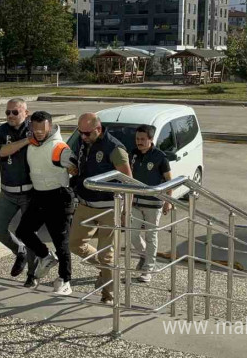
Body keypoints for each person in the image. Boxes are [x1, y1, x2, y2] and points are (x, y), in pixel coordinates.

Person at [68, 112, 132, 304]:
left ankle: (109, 297)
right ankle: (106, 273)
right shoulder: (82, 142)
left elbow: (129, 181)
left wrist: (125, 212)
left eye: (87, 133)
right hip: (85, 203)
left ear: (98, 128)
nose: (83, 137)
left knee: (107, 255)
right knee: (74, 243)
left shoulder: (114, 148)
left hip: (108, 207)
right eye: (80, 132)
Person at [14, 111, 77, 295]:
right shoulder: (32, 144)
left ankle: (65, 280)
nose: (39, 132)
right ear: (31, 126)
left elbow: (75, 166)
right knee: (23, 231)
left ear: (50, 126)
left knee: (61, 242)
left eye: (42, 128)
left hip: (59, 197)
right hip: (39, 195)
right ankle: (45, 256)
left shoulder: (59, 147)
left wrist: (74, 171)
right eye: (35, 128)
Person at [0, 98, 39, 286]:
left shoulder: (34, 129)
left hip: (29, 192)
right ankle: (19, 250)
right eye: (7, 112)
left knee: (29, 234)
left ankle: (32, 274)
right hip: (8, 192)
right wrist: (27, 141)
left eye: (15, 112)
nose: (10, 116)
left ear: (26, 113)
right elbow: (3, 151)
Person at [130, 124, 173, 283]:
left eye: (142, 139)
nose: (139, 142)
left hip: (154, 204)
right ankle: (145, 256)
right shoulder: (133, 154)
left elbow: (169, 181)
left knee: (151, 236)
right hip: (135, 202)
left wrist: (168, 201)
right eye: (137, 139)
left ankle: (148, 269)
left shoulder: (160, 157)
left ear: (151, 139)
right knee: (132, 235)